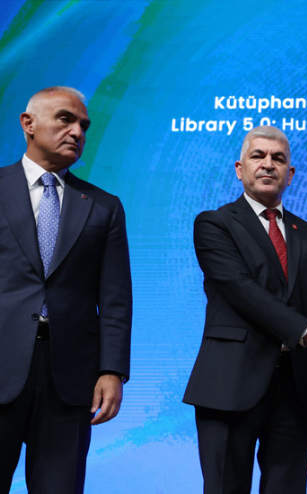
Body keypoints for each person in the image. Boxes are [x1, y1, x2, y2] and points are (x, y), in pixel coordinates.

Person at [183, 126, 307, 494]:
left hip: (295, 388)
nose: (268, 164)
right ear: (240, 169)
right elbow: (243, 292)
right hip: (229, 383)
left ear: (290, 174)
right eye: (258, 156)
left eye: (278, 159)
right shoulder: (214, 223)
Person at [0, 86, 133, 493]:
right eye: (65, 119)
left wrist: (112, 370)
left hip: (71, 378)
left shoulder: (104, 206)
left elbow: (115, 299)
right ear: (28, 124)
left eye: (84, 126)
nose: (77, 132)